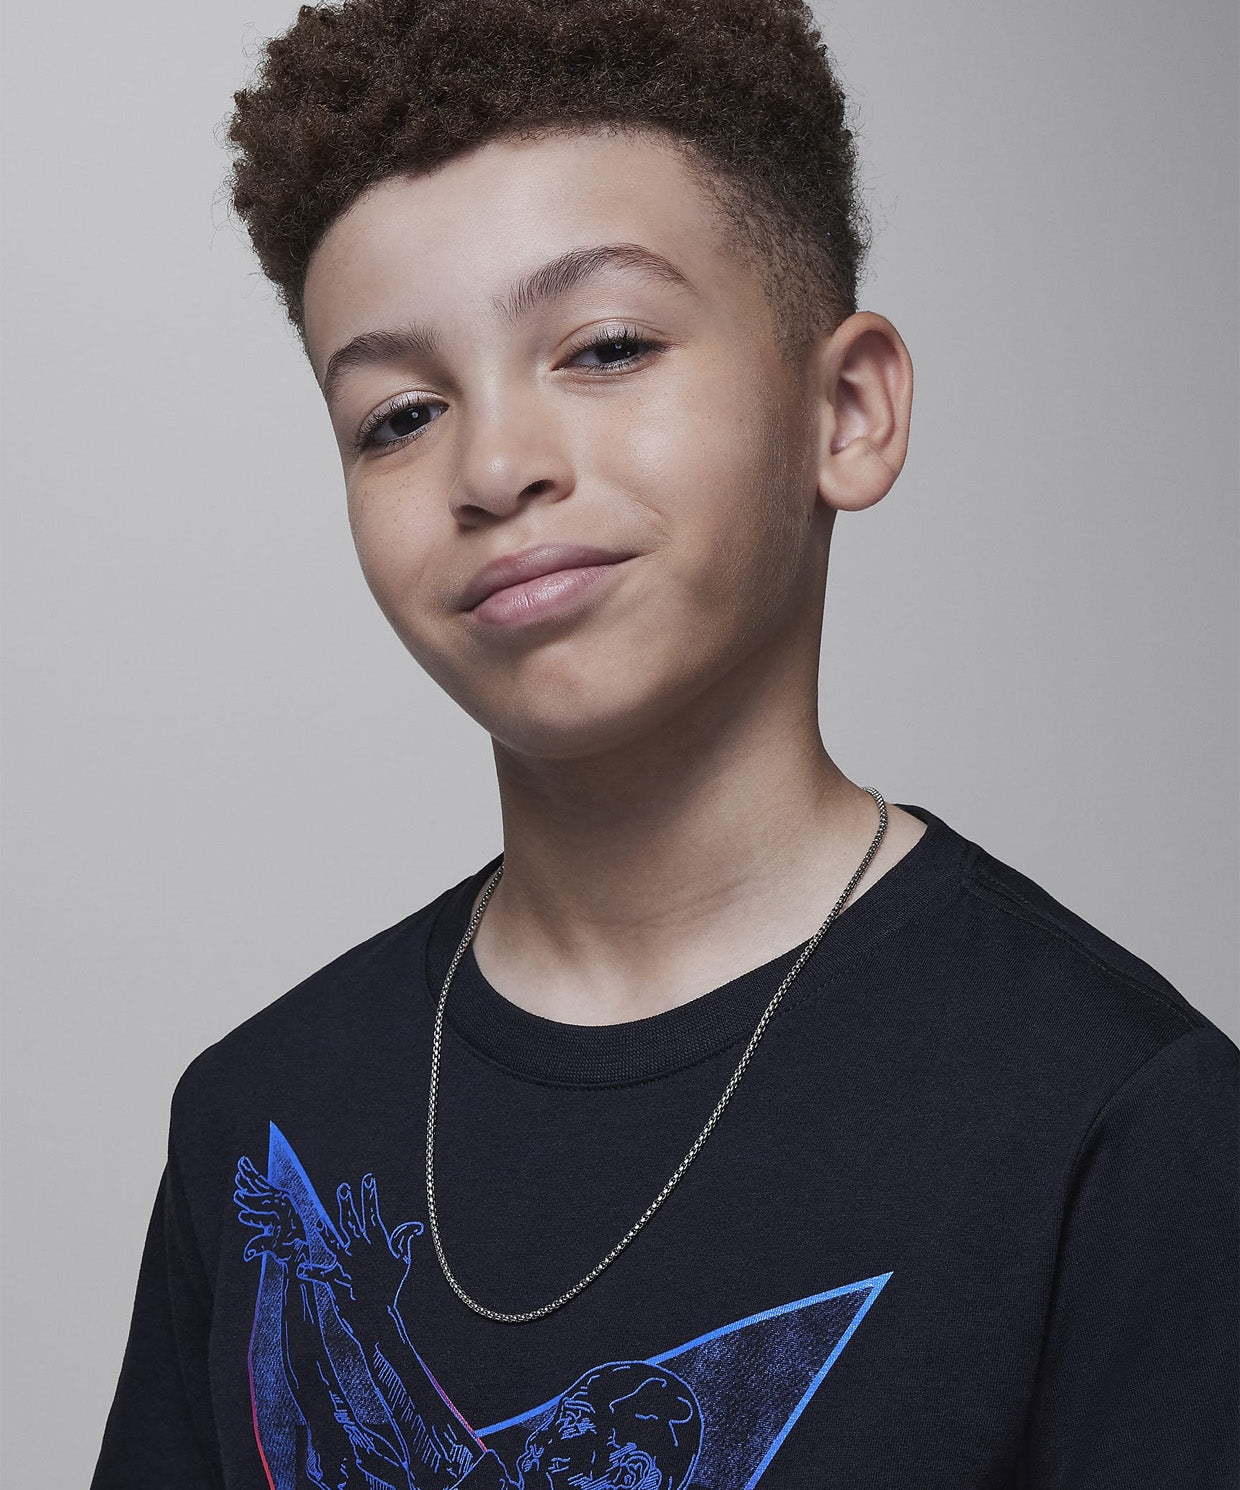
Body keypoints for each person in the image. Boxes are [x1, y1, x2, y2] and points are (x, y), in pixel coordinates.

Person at [90, 1, 1238, 1486]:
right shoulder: (259, 1123)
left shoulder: (1120, 1121)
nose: (494, 466)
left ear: (847, 410)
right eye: (398, 415)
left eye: (608, 347)